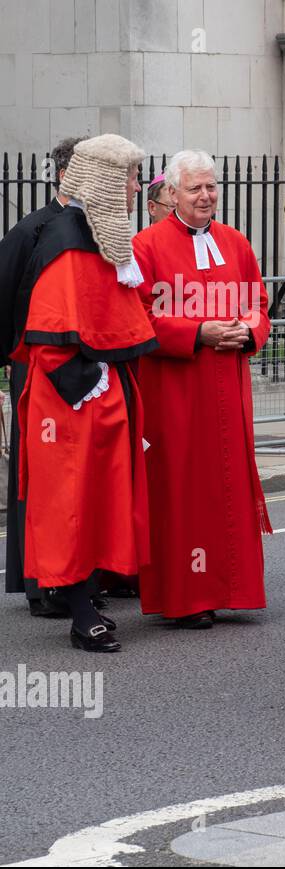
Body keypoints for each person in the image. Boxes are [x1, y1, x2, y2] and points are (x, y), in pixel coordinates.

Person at [13, 134, 157, 652]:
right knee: (71, 503)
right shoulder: (65, 241)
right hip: (70, 396)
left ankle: (87, 595)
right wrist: (90, 382)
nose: (138, 189)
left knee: (101, 501)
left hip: (101, 392)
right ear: (104, 183)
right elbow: (51, 334)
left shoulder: (100, 236)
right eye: (130, 179)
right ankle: (77, 611)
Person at [132, 150, 272, 630]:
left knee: (228, 483)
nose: (206, 196)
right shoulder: (146, 245)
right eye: (195, 188)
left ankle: (233, 588)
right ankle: (189, 597)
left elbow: (259, 300)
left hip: (228, 387)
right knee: (183, 487)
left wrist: (249, 330)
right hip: (175, 389)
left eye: (211, 187)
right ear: (171, 194)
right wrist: (197, 334)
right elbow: (140, 317)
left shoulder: (235, 241)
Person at [2, 136, 80, 619]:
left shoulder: (97, 229)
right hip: (36, 365)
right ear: (66, 175)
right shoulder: (30, 229)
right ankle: (39, 582)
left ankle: (79, 574)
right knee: (39, 473)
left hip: (86, 367)